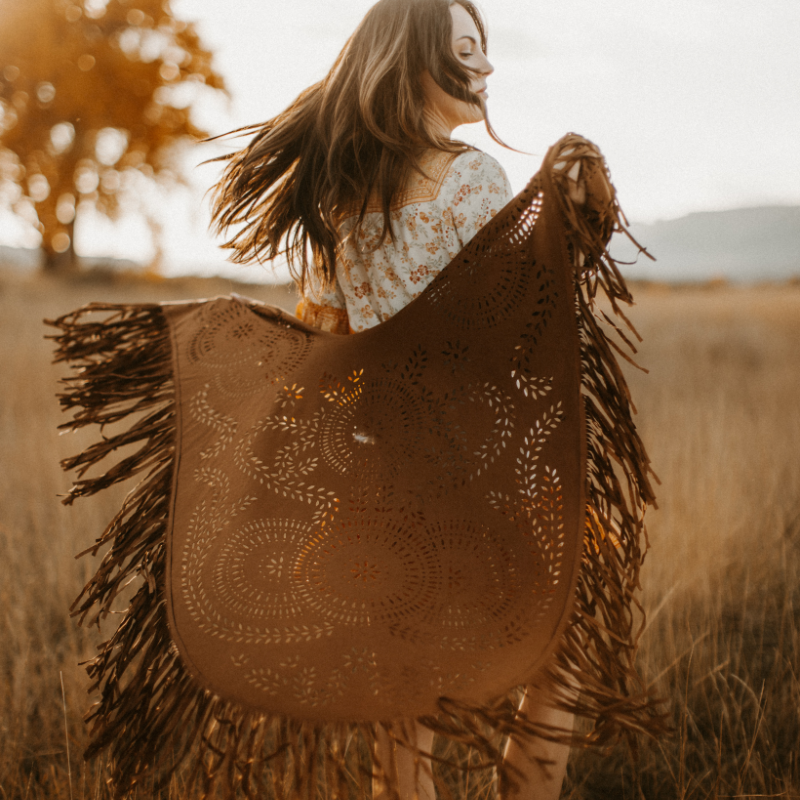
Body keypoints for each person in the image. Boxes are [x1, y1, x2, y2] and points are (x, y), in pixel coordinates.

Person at [208, 2, 617, 799]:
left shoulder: (341, 197)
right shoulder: (473, 178)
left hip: (381, 491)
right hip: (480, 481)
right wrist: (580, 227)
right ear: (417, 64)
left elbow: (321, 338)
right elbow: (522, 328)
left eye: (486, 51)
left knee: (405, 712)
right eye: (467, 52)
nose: (487, 69)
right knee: (565, 644)